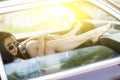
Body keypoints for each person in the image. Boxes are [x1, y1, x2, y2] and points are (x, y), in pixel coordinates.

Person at [0, 22, 111, 64]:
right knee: (46, 44)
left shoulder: (12, 54)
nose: (14, 47)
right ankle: (90, 35)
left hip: (44, 65)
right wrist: (42, 39)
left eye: (15, 43)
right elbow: (41, 62)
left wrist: (41, 36)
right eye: (10, 46)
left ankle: (78, 35)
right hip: (47, 72)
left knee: (30, 43)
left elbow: (22, 45)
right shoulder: (16, 63)